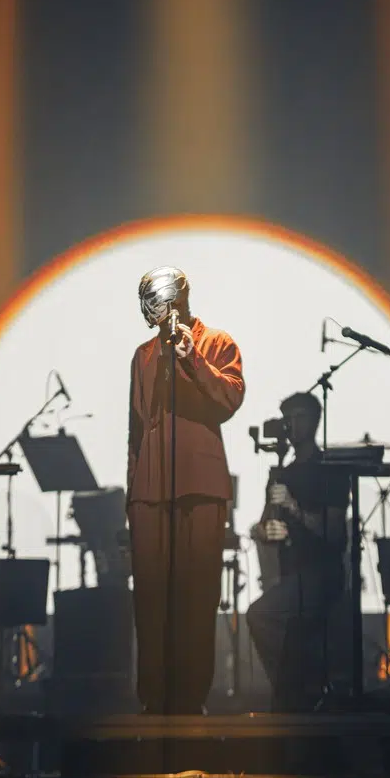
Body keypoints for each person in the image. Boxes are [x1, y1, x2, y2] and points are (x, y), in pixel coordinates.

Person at [126, 266, 244, 714]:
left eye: (155, 301)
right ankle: (153, 698)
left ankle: (191, 700)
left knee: (197, 595)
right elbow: (136, 428)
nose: (150, 311)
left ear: (176, 299)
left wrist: (193, 358)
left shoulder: (216, 342)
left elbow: (229, 400)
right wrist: (133, 493)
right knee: (150, 597)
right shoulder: (142, 355)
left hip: (200, 487)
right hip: (150, 491)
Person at [247, 391, 350, 708]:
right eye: (286, 418)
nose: (290, 425)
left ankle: (294, 689)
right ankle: (295, 691)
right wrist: (265, 531)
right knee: (269, 619)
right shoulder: (282, 474)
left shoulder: (329, 470)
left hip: (320, 573)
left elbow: (333, 533)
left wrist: (294, 508)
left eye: (297, 417)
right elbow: (265, 526)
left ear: (313, 421)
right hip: (290, 575)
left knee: (260, 616)